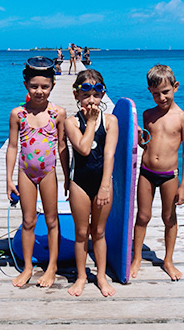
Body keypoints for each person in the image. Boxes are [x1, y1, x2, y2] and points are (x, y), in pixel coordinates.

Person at [6, 56, 70, 288]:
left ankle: (52, 266)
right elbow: (13, 146)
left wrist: (67, 177)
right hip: (25, 172)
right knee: (28, 220)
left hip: (48, 172)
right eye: (34, 86)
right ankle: (28, 268)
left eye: (44, 86)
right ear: (26, 86)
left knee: (52, 220)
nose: (39, 91)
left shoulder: (57, 113)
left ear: (52, 86)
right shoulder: (18, 114)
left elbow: (62, 146)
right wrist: (8, 178)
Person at [130, 64, 184, 281]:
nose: (161, 97)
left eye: (165, 92)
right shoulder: (148, 114)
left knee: (169, 217)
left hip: (169, 176)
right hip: (146, 172)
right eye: (156, 93)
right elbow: (144, 143)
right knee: (143, 216)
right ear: (149, 91)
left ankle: (168, 260)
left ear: (175, 87)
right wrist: (139, 138)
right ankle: (136, 258)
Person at [65, 70, 118, 297]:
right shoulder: (70, 122)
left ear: (102, 96)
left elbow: (109, 155)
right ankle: (81, 277)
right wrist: (91, 122)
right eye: (86, 95)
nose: (92, 100)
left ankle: (101, 276)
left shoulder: (112, 121)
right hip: (79, 183)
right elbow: (84, 148)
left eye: (97, 95)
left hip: (102, 182)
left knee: (98, 232)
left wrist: (105, 185)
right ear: (77, 96)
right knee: (80, 232)